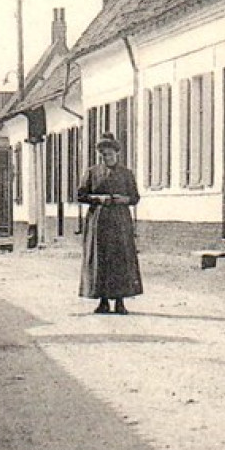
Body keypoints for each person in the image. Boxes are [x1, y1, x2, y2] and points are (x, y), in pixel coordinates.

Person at [77, 134, 142, 315]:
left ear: (117, 154)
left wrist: (124, 199)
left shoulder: (126, 174)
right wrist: (98, 198)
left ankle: (120, 302)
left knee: (121, 260)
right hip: (99, 222)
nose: (107, 158)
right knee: (101, 259)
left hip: (120, 222)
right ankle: (103, 301)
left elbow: (135, 198)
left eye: (110, 154)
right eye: (103, 155)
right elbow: (81, 195)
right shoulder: (92, 173)